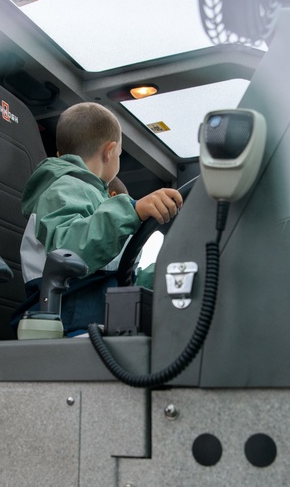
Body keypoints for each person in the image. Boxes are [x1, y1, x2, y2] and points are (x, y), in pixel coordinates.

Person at [17, 102, 183, 334]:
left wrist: (172, 274)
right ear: (109, 151)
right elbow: (70, 251)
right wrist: (132, 210)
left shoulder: (99, 201)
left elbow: (122, 275)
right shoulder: (63, 188)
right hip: (66, 325)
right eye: (120, 154)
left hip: (96, 321)